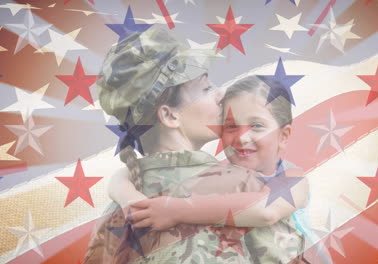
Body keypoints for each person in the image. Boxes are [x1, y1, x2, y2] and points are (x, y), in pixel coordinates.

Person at [84, 26, 308, 264]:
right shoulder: (249, 187)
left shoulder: (115, 213)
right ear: (170, 116)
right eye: (206, 88)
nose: (221, 93)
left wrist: (122, 184)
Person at [111, 76, 312, 263]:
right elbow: (123, 174)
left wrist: (174, 209)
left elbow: (266, 209)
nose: (242, 138)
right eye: (231, 126)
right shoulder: (224, 176)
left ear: (284, 136)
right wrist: (123, 189)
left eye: (257, 126)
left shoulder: (291, 175)